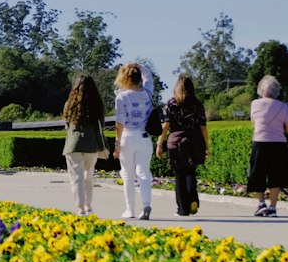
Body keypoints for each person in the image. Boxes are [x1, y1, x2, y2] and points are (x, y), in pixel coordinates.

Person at [156, 76, 208, 217]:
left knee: (179, 175)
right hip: (195, 139)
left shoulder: (171, 104)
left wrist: (160, 143)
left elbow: (165, 126)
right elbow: (203, 127)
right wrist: (206, 145)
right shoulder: (197, 104)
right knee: (191, 171)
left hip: (176, 140)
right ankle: (193, 199)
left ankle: (183, 209)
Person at [247, 75, 288, 216]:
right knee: (276, 175)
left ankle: (261, 204)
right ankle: (273, 207)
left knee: (258, 174)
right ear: (277, 90)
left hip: (260, 142)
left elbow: (254, 123)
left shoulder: (255, 104)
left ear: (261, 89)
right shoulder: (283, 106)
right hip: (278, 144)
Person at [113, 63, 153, 220]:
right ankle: (146, 205)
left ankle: (130, 210)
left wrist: (117, 143)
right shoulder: (148, 93)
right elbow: (148, 75)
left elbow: (119, 122)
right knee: (143, 173)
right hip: (144, 137)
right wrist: (137, 65)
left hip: (127, 137)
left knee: (128, 175)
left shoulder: (122, 97)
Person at [62, 75, 106, 216]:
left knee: (77, 177)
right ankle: (88, 205)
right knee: (88, 176)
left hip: (73, 145)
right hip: (91, 144)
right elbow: (101, 126)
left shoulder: (69, 104)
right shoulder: (97, 105)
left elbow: (67, 124)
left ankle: (80, 207)